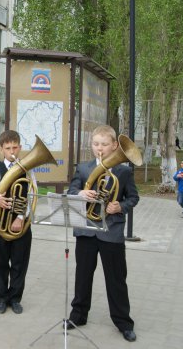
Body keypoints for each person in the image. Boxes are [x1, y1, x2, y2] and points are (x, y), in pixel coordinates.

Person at [66, 125, 139, 342]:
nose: (100, 148)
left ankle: (123, 322)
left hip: (111, 231)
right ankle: (78, 315)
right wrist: (81, 193)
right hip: (87, 230)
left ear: (115, 146)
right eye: (96, 144)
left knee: (116, 278)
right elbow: (71, 191)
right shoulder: (84, 168)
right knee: (82, 275)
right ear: (91, 145)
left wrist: (120, 207)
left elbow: (133, 198)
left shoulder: (124, 171)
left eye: (104, 144)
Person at [0, 130, 31, 315]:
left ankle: (15, 298)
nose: (12, 151)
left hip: (22, 224)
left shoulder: (28, 168)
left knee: (20, 264)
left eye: (15, 147)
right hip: (1, 224)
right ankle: (2, 298)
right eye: (8, 148)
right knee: (2, 264)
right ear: (1, 149)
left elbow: (31, 197)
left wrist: (20, 218)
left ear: (20, 147)